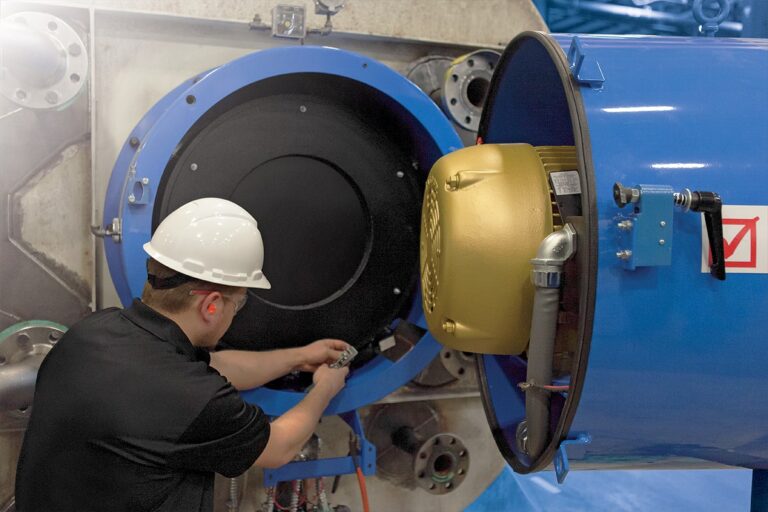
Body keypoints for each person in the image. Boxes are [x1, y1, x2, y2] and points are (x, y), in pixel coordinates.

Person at [15, 198, 351, 512]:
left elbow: (218, 366)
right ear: (212, 305)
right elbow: (279, 447)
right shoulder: (195, 399)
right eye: (239, 304)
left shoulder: (93, 332)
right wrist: (325, 386)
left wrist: (299, 356)